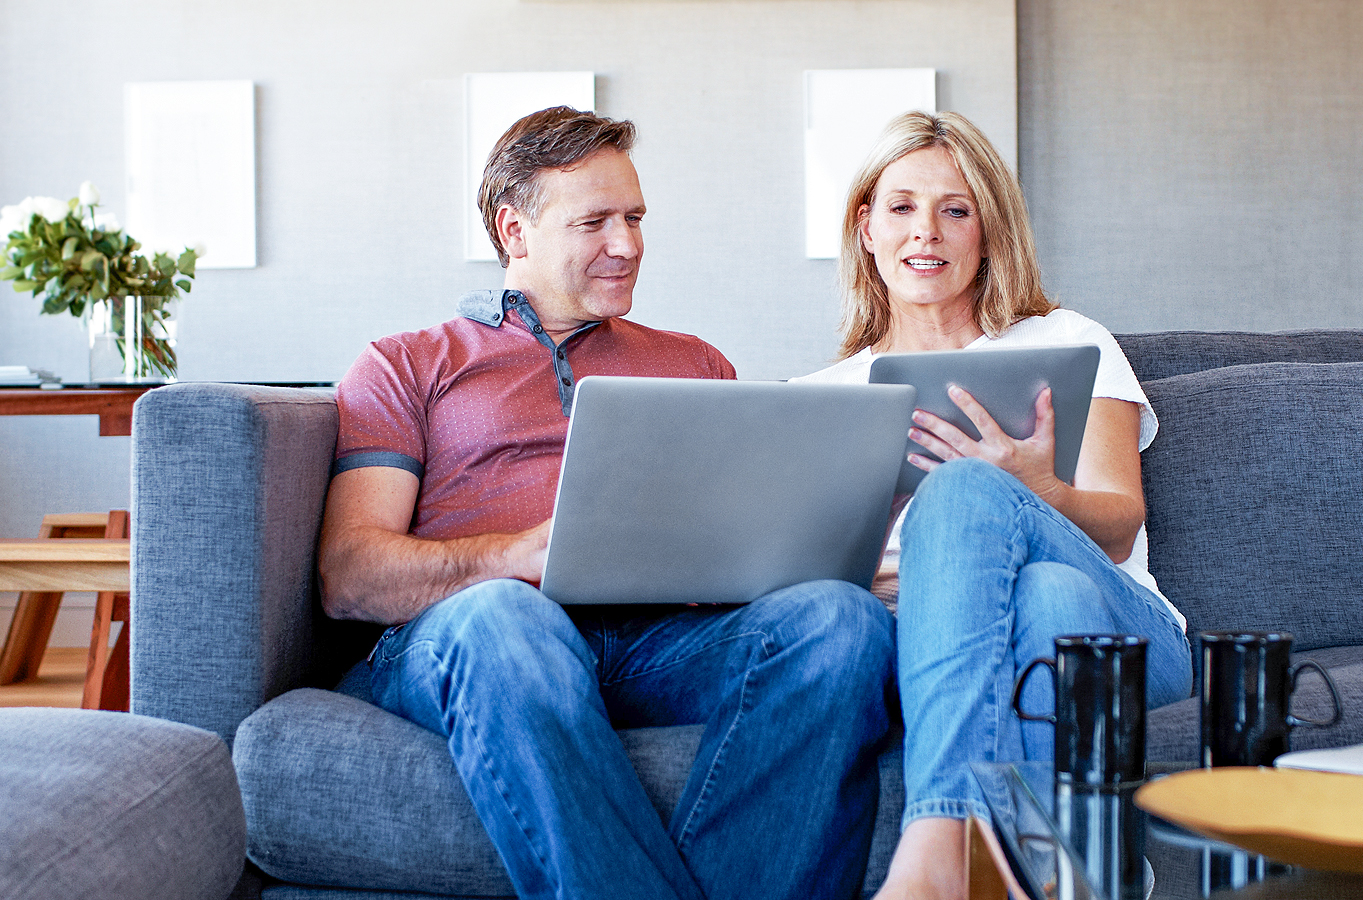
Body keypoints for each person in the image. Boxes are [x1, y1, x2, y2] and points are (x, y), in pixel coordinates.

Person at [318, 106, 895, 900]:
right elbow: (350, 574)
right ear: (513, 229)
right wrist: (512, 556)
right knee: (503, 615)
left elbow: (757, 548)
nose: (627, 245)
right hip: (482, 635)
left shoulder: (694, 363)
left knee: (841, 620)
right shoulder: (406, 364)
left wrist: (819, 549)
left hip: (663, 638)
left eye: (634, 218)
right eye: (595, 222)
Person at [795, 110, 1192, 900]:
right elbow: (795, 585)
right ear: (866, 228)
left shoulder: (1067, 341)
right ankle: (1076, 881)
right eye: (902, 207)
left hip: (1128, 636)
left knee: (972, 488)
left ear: (987, 231)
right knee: (1046, 598)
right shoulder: (822, 399)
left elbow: (1120, 525)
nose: (926, 233)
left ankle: (938, 839)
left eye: (956, 208)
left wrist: (1037, 490)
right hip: (942, 636)